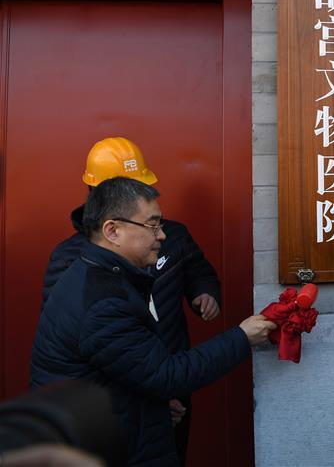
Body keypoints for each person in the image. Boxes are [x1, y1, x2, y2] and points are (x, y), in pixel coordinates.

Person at [31, 177, 275, 466]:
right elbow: (167, 375)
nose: (162, 235)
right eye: (152, 225)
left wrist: (150, 405)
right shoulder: (103, 302)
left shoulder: (99, 273)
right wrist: (242, 337)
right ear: (113, 230)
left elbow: (124, 369)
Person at [42, 137, 222, 463]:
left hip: (172, 375)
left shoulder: (171, 235)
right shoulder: (70, 259)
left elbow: (199, 271)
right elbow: (75, 343)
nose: (158, 234)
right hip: (122, 400)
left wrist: (204, 291)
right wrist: (146, 402)